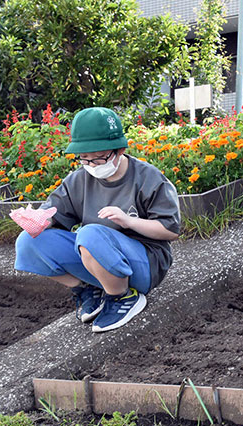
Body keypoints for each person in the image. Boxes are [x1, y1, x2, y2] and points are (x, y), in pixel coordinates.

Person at [14, 107, 180, 332]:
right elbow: (54, 214)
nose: (92, 165)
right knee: (29, 241)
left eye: (99, 158)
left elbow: (170, 230)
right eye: (85, 159)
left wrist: (129, 221)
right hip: (98, 256)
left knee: (89, 233)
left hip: (145, 263)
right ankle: (87, 288)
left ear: (119, 150)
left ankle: (122, 296)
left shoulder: (148, 178)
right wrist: (37, 219)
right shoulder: (78, 180)